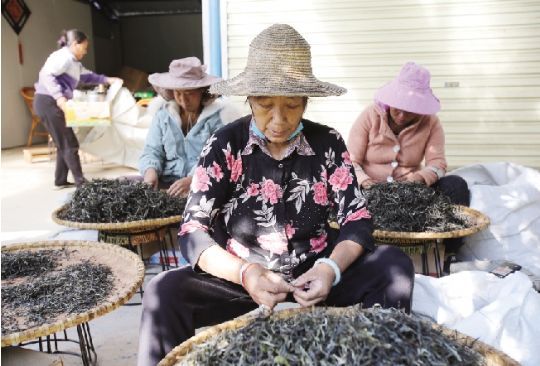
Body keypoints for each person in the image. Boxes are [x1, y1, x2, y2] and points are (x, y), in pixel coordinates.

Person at [137, 24, 414, 366]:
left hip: (314, 269)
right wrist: (246, 274)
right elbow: (193, 230)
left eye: (292, 105)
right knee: (162, 293)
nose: (279, 120)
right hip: (244, 274)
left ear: (306, 102)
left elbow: (356, 218)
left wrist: (330, 268)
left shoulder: (328, 143)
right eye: (265, 105)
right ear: (249, 99)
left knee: (393, 266)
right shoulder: (226, 144)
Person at [346, 61, 470, 271]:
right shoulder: (369, 116)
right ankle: (355, 248)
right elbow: (350, 161)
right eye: (398, 107)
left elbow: (438, 164)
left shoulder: (431, 123)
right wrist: (365, 181)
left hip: (411, 193)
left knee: (456, 185)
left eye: (410, 110)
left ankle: (449, 253)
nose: (402, 115)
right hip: (369, 190)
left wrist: (420, 178)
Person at [34, 29, 121, 188]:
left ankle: (60, 180)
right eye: (84, 47)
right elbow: (46, 75)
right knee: (69, 143)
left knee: (63, 143)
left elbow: (88, 77)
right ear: (75, 44)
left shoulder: (74, 62)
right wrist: (60, 98)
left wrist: (108, 79)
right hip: (47, 101)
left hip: (52, 102)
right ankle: (81, 182)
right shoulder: (63, 57)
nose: (86, 51)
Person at [137, 57, 236, 197]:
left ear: (203, 90)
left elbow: (218, 157)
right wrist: (150, 172)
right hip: (167, 184)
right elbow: (152, 150)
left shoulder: (217, 120)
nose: (183, 100)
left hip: (204, 185)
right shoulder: (163, 116)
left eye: (189, 93)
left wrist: (192, 180)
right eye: (178, 93)